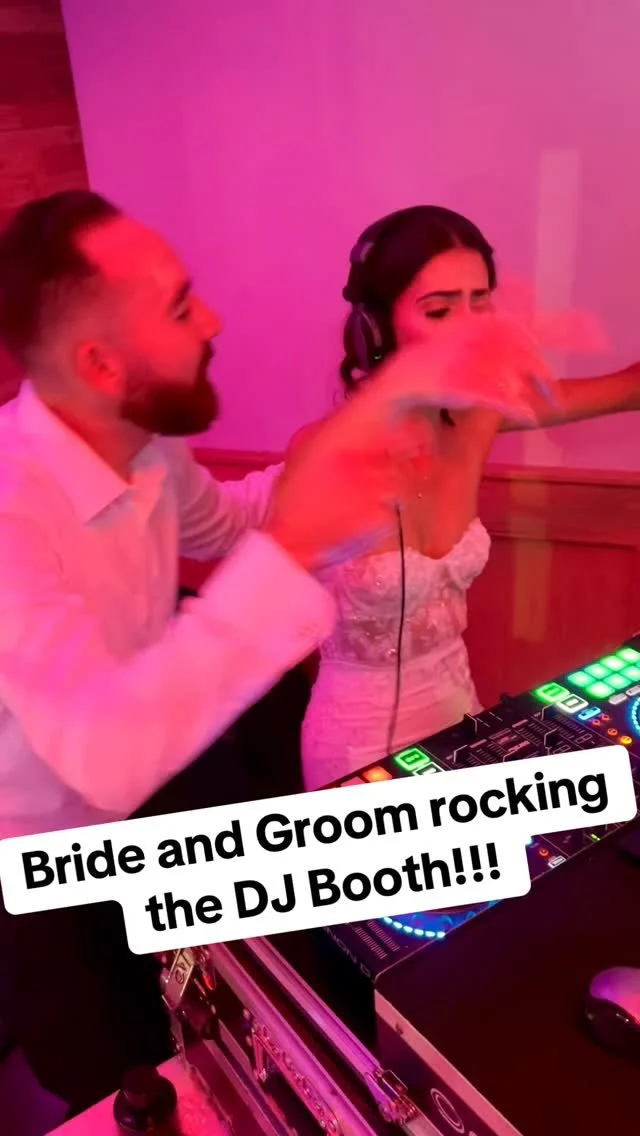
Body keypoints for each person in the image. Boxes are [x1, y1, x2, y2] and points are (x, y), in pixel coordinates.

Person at [0, 190, 548, 1116]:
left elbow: (230, 523)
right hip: (49, 857)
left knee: (232, 1045)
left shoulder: (143, 447)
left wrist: (369, 429)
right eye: (181, 306)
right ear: (99, 362)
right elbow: (102, 749)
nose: (212, 319)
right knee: (119, 1083)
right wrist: (295, 543)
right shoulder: (10, 506)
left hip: (169, 793)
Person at [298, 205, 640, 789]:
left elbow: (626, 389)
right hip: (356, 744)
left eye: (480, 302)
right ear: (376, 325)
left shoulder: (479, 415)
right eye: (440, 310)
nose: (470, 330)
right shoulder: (325, 450)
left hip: (461, 716)